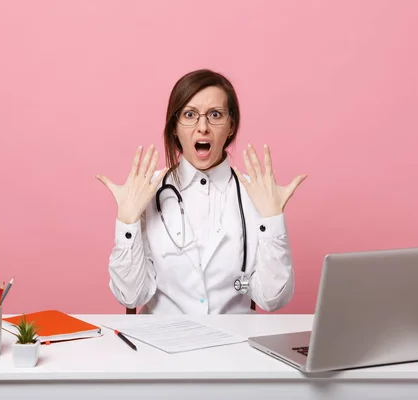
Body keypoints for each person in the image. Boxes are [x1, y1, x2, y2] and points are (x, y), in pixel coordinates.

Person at [96, 69, 307, 314]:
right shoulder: (146, 190)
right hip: (164, 343)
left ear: (231, 126)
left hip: (233, 345)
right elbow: (131, 297)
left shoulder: (257, 192)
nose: (203, 127)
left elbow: (272, 299)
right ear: (174, 127)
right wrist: (127, 222)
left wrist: (273, 220)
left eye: (215, 114)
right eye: (190, 114)